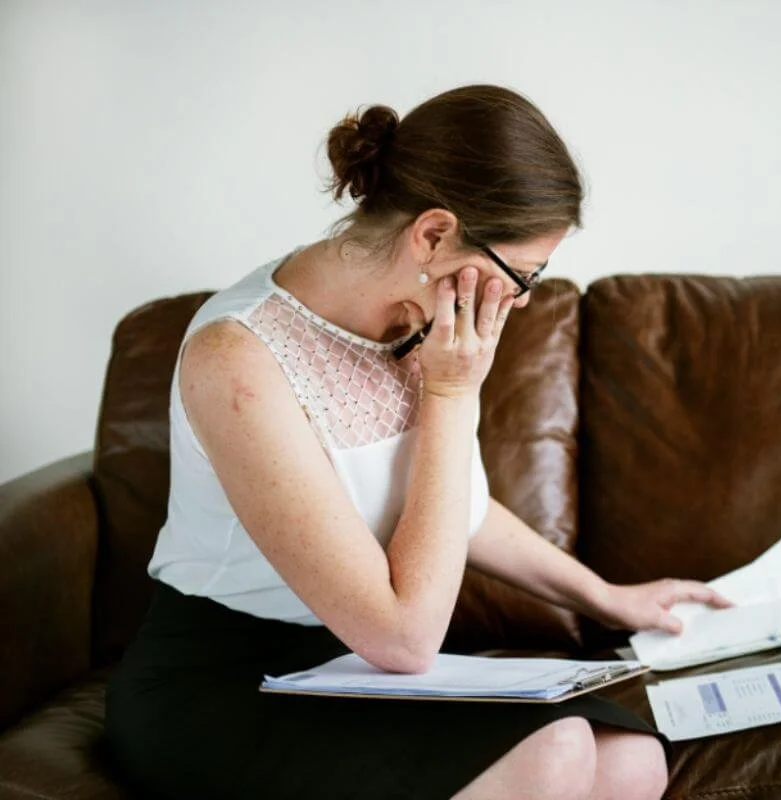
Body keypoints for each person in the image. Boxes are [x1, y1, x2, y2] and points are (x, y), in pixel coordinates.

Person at [103, 84, 732, 800]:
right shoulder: (238, 358)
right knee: (552, 756)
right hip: (226, 679)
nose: (523, 299)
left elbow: (459, 510)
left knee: (629, 759)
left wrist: (607, 597)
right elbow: (404, 637)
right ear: (432, 236)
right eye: (522, 273)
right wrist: (451, 396)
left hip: (355, 667)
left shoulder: (420, 321)